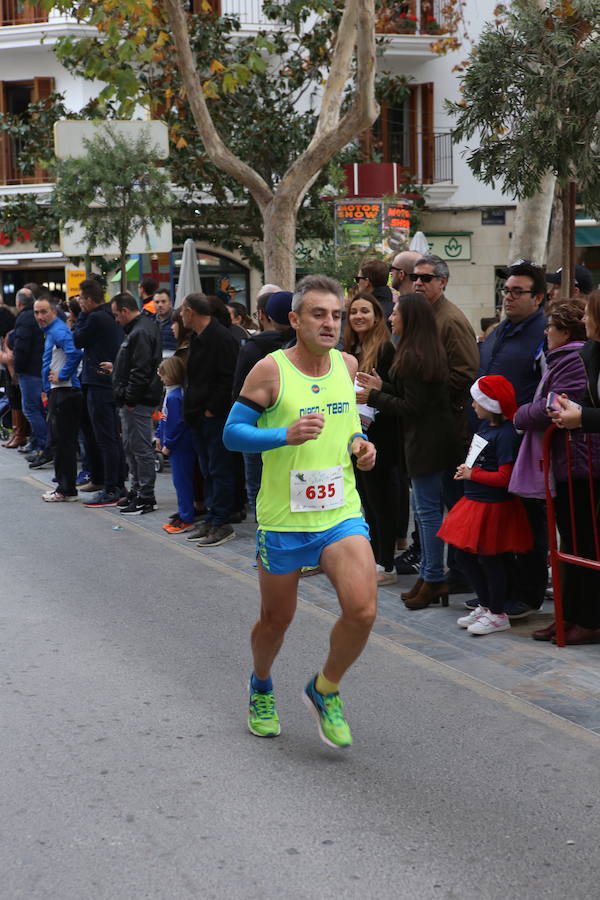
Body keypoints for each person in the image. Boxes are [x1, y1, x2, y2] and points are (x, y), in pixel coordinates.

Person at [223, 274, 377, 749]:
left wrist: (362, 447)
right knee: (276, 620)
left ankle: (325, 687)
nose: (331, 323)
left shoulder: (347, 365)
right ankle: (262, 685)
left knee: (363, 610)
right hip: (284, 520)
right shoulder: (270, 371)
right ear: (294, 319)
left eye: (336, 314)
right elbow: (232, 434)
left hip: (339, 511)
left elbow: (348, 428)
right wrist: (282, 435)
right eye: (319, 314)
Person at [356, 293, 461, 610]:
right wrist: (381, 387)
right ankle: (428, 577)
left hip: (428, 444)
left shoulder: (415, 354)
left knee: (428, 515)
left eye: (396, 313)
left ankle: (431, 577)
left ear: (410, 318)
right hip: (428, 441)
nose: (390, 318)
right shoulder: (417, 350)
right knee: (426, 513)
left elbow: (412, 406)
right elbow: (410, 396)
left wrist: (374, 397)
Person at [513, 299, 600, 645]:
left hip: (586, 465)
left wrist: (522, 414)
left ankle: (587, 619)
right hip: (572, 462)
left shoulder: (577, 359)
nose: (586, 319)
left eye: (590, 314)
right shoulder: (588, 353)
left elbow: (553, 405)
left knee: (585, 545)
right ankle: (568, 616)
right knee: (570, 543)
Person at [477, 259, 548, 616]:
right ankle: (498, 592)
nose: (508, 297)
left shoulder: (544, 334)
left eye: (517, 292)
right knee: (498, 519)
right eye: (506, 290)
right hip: (490, 437)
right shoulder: (501, 330)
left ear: (538, 298)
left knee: (528, 522)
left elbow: (545, 390)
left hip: (524, 442)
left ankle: (527, 593)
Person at [438, 376, 533, 635]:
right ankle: (486, 603)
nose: (472, 405)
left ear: (491, 405)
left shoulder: (504, 435)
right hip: (475, 501)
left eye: (477, 401)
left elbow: (504, 476)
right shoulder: (484, 427)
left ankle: (498, 612)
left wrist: (473, 475)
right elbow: (480, 461)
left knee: (490, 560)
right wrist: (467, 470)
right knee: (463, 556)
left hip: (493, 506)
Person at [344, 291, 398, 584]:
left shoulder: (386, 349)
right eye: (354, 312)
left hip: (381, 437)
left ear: (377, 316)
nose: (358, 316)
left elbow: (398, 392)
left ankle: (385, 564)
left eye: (365, 311)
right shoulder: (353, 349)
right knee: (365, 499)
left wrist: (378, 391)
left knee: (380, 500)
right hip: (356, 434)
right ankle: (374, 557)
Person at [182, 292, 239, 546]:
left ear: (191, 311)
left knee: (219, 468)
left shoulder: (221, 338)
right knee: (207, 469)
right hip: (197, 414)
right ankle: (212, 516)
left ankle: (221, 521)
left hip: (214, 416)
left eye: (182, 310)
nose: (180, 315)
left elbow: (229, 378)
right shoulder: (197, 337)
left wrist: (212, 409)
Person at [232, 291, 295, 517]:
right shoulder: (304, 346)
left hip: (258, 428)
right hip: (295, 426)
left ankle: (265, 536)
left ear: (262, 315)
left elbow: (237, 396)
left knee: (259, 486)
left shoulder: (253, 348)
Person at [73, 278, 127, 507]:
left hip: (99, 383)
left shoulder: (94, 317)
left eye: (81, 298)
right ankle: (110, 481)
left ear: (90, 300)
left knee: (106, 438)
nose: (78, 302)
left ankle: (112, 487)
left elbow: (77, 339)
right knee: (109, 437)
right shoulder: (107, 316)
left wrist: (81, 316)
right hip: (104, 383)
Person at [108, 292, 163, 515]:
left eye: (116, 315)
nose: (116, 320)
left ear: (124, 310)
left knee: (139, 448)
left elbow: (141, 370)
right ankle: (138, 491)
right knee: (132, 446)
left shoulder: (140, 331)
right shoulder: (140, 329)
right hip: (135, 399)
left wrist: (130, 398)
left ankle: (145, 496)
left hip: (138, 401)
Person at [34, 296, 83, 502]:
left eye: (44, 311)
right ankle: (65, 487)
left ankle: (66, 489)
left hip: (64, 391)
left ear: (53, 312)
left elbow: (75, 353)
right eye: (36, 312)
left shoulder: (59, 331)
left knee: (62, 442)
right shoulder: (52, 331)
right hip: (59, 391)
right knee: (61, 442)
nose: (40, 316)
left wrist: (62, 375)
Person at [156, 356, 197, 533]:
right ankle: (184, 512)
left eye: (163, 373)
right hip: (178, 445)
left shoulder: (174, 396)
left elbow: (177, 423)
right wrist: (159, 435)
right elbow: (165, 419)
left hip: (180, 446)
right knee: (180, 481)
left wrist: (168, 443)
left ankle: (187, 517)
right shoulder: (172, 394)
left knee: (182, 482)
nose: (160, 377)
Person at [8, 288, 49, 465]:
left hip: (30, 371)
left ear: (18, 303)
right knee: (38, 410)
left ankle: (45, 447)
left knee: (31, 409)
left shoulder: (24, 318)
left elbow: (21, 347)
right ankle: (40, 443)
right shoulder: (35, 317)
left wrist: (17, 370)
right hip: (40, 369)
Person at [154, 289, 177, 358]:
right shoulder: (151, 322)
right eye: (157, 302)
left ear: (170, 303)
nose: (160, 305)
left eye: (163, 301)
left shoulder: (178, 320)